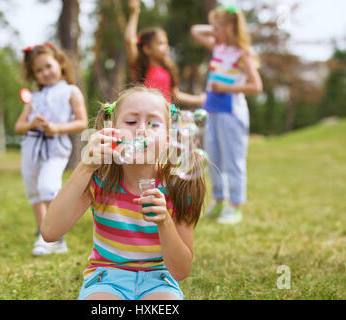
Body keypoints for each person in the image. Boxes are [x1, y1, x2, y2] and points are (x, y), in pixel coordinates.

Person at [41, 86, 206, 300]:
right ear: (111, 130)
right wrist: (86, 167)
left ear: (168, 137)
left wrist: (164, 221)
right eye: (131, 122)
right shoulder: (101, 180)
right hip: (106, 278)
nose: (141, 131)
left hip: (159, 280)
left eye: (153, 123)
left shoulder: (179, 187)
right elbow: (50, 231)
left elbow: (181, 271)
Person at [191, 4, 262, 224]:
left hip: (232, 113)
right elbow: (195, 30)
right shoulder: (218, 47)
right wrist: (218, 24)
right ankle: (219, 199)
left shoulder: (243, 54)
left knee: (234, 161)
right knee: (214, 159)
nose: (213, 33)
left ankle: (235, 206)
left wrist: (227, 88)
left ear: (230, 28)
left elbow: (256, 86)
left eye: (217, 28)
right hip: (213, 111)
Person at [14, 43, 88, 255]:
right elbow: (19, 127)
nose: (45, 73)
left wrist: (56, 128)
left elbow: (81, 121)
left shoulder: (71, 91)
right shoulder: (33, 99)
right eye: (39, 70)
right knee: (34, 192)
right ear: (33, 75)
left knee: (48, 187)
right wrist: (31, 124)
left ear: (60, 63)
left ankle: (57, 236)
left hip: (55, 147)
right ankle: (44, 236)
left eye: (48, 66)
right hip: (31, 147)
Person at [125, 0, 206, 108]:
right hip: (145, 116)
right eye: (161, 43)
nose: (166, 46)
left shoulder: (167, 69)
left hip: (163, 118)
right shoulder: (139, 66)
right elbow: (129, 40)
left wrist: (199, 99)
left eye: (166, 43)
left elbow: (176, 94)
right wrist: (134, 13)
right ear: (147, 49)